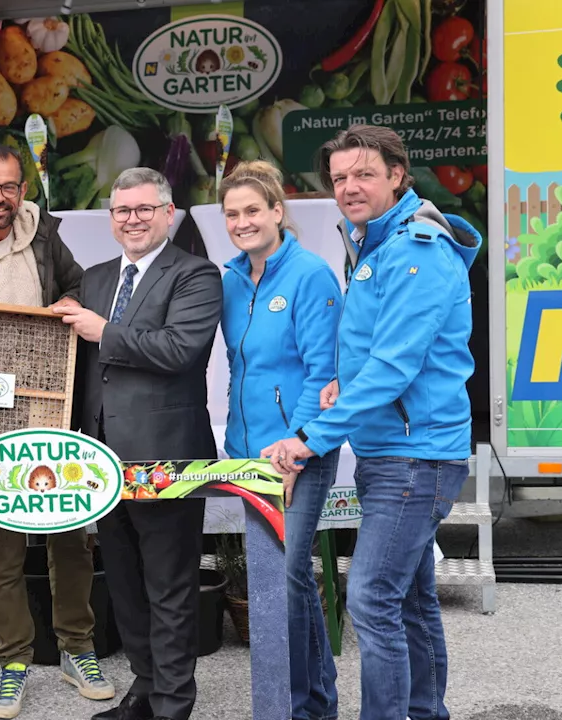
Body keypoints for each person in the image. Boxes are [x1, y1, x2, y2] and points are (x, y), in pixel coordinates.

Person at [270, 125, 482, 720]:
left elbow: (394, 366)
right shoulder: (373, 243)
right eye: (339, 178)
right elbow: (376, 350)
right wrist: (345, 375)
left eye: (364, 174)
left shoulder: (417, 249)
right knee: (410, 598)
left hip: (416, 456)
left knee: (370, 597)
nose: (349, 187)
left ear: (397, 174)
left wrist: (312, 437)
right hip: (391, 450)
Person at [0, 143, 111, 719]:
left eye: (9, 186)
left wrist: (69, 301)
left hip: (53, 412)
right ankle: (13, 662)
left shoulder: (47, 237)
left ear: (22, 190)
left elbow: (83, 290)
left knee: (71, 539)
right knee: (1, 551)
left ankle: (78, 648)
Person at [56, 167, 223, 720]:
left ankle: (174, 705)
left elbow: (180, 350)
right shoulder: (97, 277)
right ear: (111, 219)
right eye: (122, 210)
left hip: (167, 456)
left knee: (170, 588)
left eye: (144, 209)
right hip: (101, 460)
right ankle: (145, 690)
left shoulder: (196, 276)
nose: (132, 219)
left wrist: (102, 330)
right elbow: (80, 364)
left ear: (168, 213)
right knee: (124, 585)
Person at [217, 160, 344, 720]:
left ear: (277, 212)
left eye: (252, 211)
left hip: (298, 452)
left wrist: (296, 447)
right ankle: (315, 702)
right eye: (232, 214)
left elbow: (324, 372)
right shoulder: (230, 278)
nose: (242, 222)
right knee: (282, 580)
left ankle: (299, 705)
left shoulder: (310, 274)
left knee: (286, 578)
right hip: (250, 454)